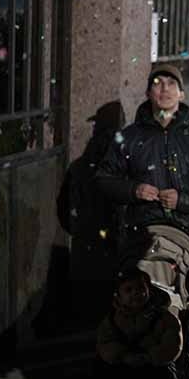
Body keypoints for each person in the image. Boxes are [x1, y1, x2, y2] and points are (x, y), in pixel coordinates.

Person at [96, 64, 189, 309]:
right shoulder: (129, 137)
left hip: (186, 235)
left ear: (181, 93)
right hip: (141, 233)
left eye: (171, 84)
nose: (164, 89)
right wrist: (133, 190)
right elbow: (104, 180)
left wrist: (183, 200)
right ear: (148, 93)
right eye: (157, 83)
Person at [90, 263, 182, 379]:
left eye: (140, 289)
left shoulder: (162, 317)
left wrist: (151, 357)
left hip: (154, 366)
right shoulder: (113, 319)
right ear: (119, 295)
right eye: (128, 290)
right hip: (123, 365)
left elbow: (172, 341)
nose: (135, 294)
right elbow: (104, 342)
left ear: (149, 290)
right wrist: (121, 356)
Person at [57, 101, 126, 327]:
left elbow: (64, 210)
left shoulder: (81, 166)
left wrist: (81, 230)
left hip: (88, 249)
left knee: (87, 316)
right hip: (111, 250)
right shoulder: (125, 162)